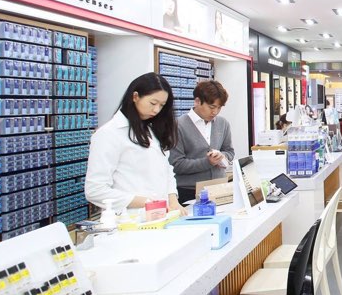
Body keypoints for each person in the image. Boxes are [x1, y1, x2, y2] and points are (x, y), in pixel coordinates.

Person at [85, 72, 184, 214]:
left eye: (162, 105)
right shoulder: (109, 134)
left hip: (161, 215)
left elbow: (165, 169)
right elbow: (95, 190)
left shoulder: (151, 130)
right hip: (130, 218)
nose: (156, 110)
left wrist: (173, 200)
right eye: (153, 103)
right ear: (135, 96)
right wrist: (146, 202)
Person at [168, 80, 235, 203]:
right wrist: (207, 162)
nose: (215, 112)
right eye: (211, 107)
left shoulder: (223, 123)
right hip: (189, 191)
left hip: (219, 188)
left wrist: (222, 156)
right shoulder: (178, 126)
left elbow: (229, 151)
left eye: (219, 107)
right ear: (197, 101)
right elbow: (176, 164)